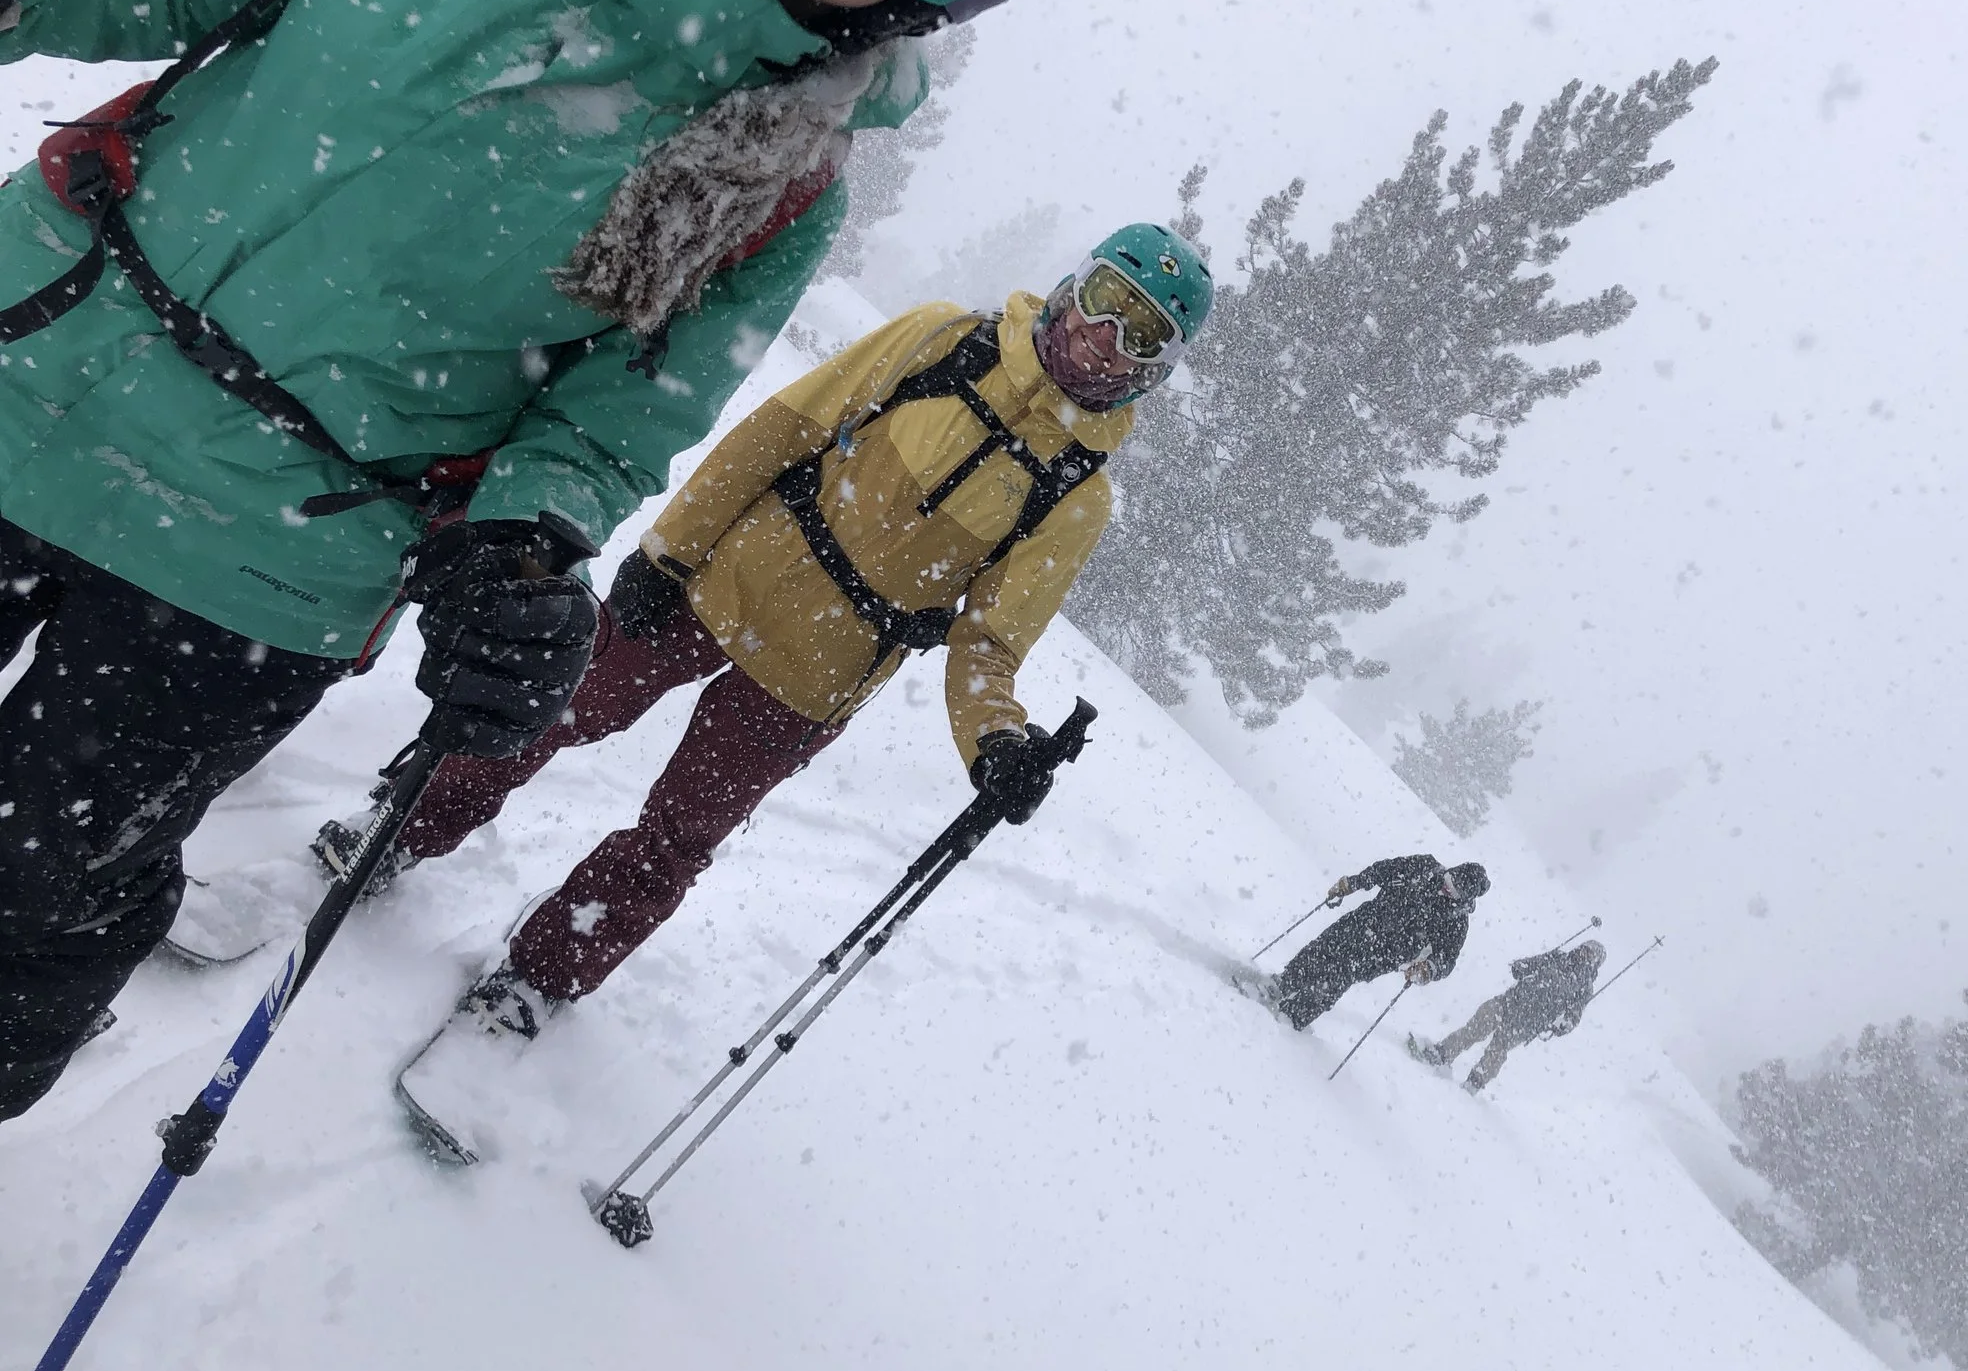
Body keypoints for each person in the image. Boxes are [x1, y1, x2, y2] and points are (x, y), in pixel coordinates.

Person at [0, 0, 1090, 1121]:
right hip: (33, 352)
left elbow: (605, 416)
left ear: (931, 2)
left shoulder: (773, 181)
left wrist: (523, 546)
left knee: (37, 886)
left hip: (262, 561)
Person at [386, 224, 1215, 1140]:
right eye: (1107, 301)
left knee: (675, 836)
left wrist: (998, 741)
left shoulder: (1078, 493)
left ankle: (537, 981)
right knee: (550, 711)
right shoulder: (948, 340)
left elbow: (989, 642)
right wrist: (670, 550)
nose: (1106, 337)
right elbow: (784, 429)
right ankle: (401, 827)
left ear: (1156, 370)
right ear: (1073, 285)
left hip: (820, 673)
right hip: (723, 576)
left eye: (1142, 334)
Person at [1266, 856, 1489, 1031]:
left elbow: (1447, 958)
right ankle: (1283, 984)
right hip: (1366, 919)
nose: (1447, 889)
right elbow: (1385, 869)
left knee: (1340, 974)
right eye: (1450, 881)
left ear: (1465, 898)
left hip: (1387, 953)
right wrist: (1353, 883)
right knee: (1323, 948)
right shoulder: (1425, 867)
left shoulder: (1456, 921)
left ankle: (1292, 1016)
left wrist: (1429, 969)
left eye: (1456, 891)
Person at [1416, 939, 1606, 1093]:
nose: (1584, 954)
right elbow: (1534, 963)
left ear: (1595, 963)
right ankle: (1441, 1053)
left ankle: (1475, 1082)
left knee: (1498, 1048)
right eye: (1585, 949)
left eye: (1590, 954)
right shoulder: (1558, 957)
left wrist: (1563, 1024)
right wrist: (1522, 966)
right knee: (1476, 1027)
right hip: (1510, 1001)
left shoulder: (1584, 987)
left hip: (1528, 1022)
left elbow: (1573, 1016)